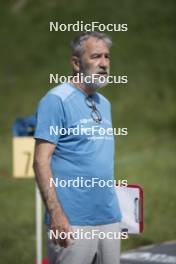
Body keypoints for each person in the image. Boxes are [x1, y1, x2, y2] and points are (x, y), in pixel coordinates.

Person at [33, 31, 122, 264]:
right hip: (71, 221)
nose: (104, 64)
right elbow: (41, 161)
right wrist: (56, 214)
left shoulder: (105, 104)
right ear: (76, 63)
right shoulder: (56, 100)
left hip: (109, 217)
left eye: (107, 57)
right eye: (95, 57)